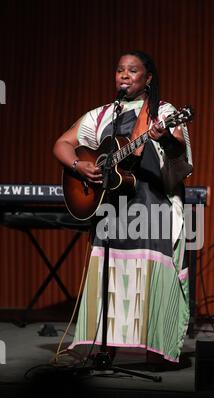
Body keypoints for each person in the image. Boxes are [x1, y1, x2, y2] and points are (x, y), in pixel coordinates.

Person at [53, 50, 193, 367]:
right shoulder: (101, 115)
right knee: (110, 275)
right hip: (112, 209)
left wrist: (164, 138)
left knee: (154, 275)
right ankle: (105, 346)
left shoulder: (164, 111)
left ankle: (156, 348)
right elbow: (61, 143)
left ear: (148, 78)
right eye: (120, 70)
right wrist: (79, 165)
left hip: (152, 206)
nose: (124, 75)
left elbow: (178, 152)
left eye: (132, 70)